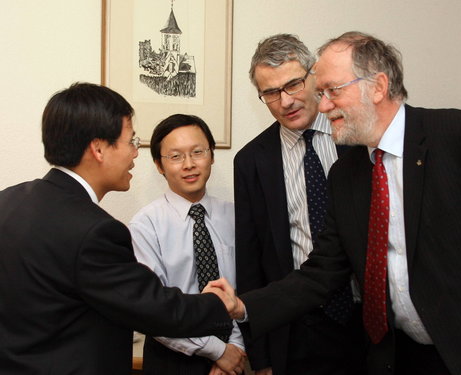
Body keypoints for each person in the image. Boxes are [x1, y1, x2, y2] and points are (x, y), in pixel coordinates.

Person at [213, 31, 461, 375]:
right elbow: (322, 270)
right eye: (321, 93)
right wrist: (243, 306)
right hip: (398, 355)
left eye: (332, 91)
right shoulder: (348, 172)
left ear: (379, 86)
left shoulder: (460, 137)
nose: (322, 105)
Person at [0, 83, 235, 375]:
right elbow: (152, 307)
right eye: (131, 141)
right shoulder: (95, 231)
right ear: (98, 149)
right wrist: (221, 303)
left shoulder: (8, 201)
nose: (136, 153)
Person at [234, 33, 365, 375]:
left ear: (314, 78)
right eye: (271, 93)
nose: (286, 100)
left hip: (369, 318)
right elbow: (251, 261)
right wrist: (260, 356)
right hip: (298, 328)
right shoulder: (251, 162)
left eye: (293, 84)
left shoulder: (358, 138)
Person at [129, 114, 246, 375]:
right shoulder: (145, 226)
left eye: (197, 152)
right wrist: (218, 351)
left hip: (235, 355)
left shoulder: (237, 216)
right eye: (176, 156)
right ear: (159, 165)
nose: (189, 164)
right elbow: (150, 309)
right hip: (172, 359)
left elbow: (247, 287)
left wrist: (235, 347)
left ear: (212, 156)